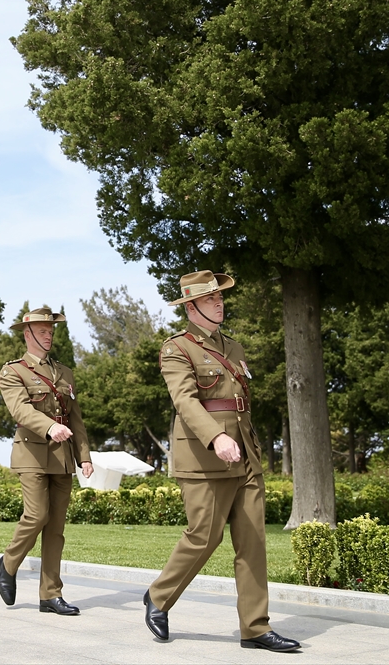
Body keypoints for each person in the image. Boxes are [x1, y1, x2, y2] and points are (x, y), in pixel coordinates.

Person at [142, 271, 300, 652]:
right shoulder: (176, 349)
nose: (220, 303)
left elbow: (239, 403)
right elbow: (186, 401)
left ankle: (255, 628)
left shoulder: (234, 348)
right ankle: (158, 597)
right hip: (204, 455)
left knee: (253, 542)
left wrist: (243, 442)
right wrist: (216, 436)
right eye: (211, 299)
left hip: (245, 451)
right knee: (204, 536)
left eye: (220, 298)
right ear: (191, 306)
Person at [0, 306, 93, 616]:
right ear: (27, 335)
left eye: (51, 331)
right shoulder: (13, 371)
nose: (48, 335)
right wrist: (50, 427)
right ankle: (9, 562)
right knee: (36, 516)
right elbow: (21, 410)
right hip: (32, 453)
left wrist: (84, 456)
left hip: (63, 458)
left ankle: (50, 595)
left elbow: (75, 419)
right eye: (42, 331)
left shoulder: (65, 373)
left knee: (56, 528)